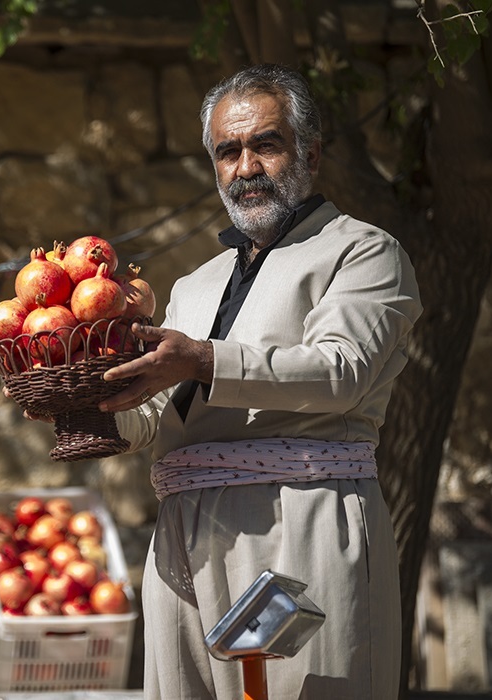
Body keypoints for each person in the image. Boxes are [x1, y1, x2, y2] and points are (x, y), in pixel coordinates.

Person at [98, 63, 423, 699]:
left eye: (265, 145)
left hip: (300, 517)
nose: (245, 168)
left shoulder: (363, 252)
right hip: (182, 535)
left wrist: (203, 360)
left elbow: (340, 372)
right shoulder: (194, 284)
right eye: (228, 152)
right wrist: (86, 401)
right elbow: (154, 417)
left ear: (311, 153)